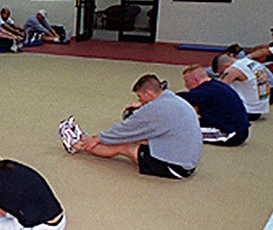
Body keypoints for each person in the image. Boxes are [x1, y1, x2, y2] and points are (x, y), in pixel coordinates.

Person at [59, 74, 202, 179]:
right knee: (138, 140)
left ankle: (78, 143)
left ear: (149, 93)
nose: (139, 100)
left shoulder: (156, 109)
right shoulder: (173, 100)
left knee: (123, 145)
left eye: (140, 97)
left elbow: (125, 130)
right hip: (187, 161)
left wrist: (97, 138)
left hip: (176, 167)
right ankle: (83, 140)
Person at [178, 65, 250, 146]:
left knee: (180, 131)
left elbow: (180, 98)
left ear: (196, 79)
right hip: (240, 129)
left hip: (231, 134)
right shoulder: (216, 85)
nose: (185, 85)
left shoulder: (203, 93)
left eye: (187, 81)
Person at [212, 53, 273, 121]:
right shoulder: (249, 61)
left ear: (226, 66)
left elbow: (218, 88)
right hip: (259, 107)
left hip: (248, 111)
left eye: (221, 73)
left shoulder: (234, 69)